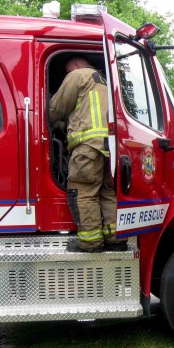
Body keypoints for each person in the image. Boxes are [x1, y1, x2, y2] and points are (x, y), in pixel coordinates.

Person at [49, 56, 125, 253]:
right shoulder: (105, 81)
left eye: (67, 69)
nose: (68, 73)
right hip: (109, 148)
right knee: (107, 191)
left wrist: (50, 118)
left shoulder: (77, 75)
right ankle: (115, 237)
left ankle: (90, 242)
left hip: (86, 147)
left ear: (74, 64)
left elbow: (55, 109)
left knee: (83, 192)